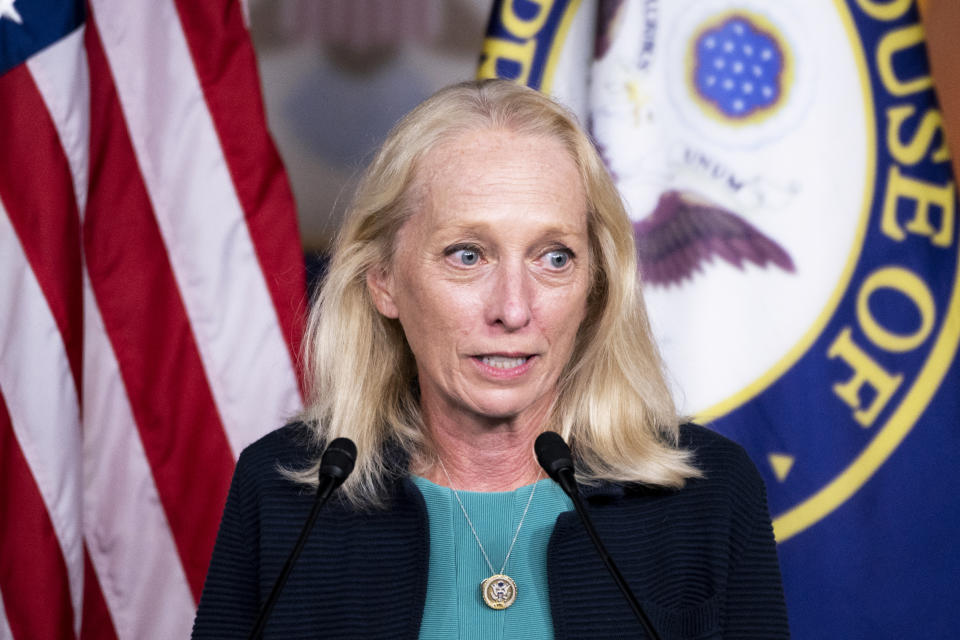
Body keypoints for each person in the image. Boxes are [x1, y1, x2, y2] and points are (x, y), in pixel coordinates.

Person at [192, 79, 789, 639]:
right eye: (467, 254)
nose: (512, 309)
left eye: (553, 258)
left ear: (596, 285)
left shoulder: (708, 492)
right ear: (383, 280)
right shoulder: (284, 494)